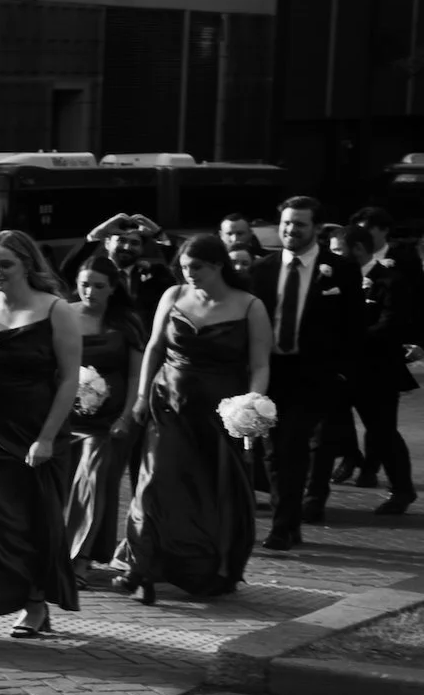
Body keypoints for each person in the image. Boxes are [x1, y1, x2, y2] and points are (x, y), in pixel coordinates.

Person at [115, 235, 272, 601]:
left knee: (207, 491)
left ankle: (204, 569)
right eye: (184, 268)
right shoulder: (172, 296)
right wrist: (140, 397)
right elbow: (154, 347)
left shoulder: (250, 306)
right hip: (168, 403)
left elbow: (260, 363)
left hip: (220, 413)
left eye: (197, 268)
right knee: (155, 483)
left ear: (218, 266)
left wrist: (251, 405)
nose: (190, 275)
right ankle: (142, 566)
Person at [0, 231, 83, 637]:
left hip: (33, 433)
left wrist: (46, 438)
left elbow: (68, 380)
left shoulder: (56, 310)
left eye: (4, 264)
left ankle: (35, 604)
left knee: (30, 523)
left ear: (27, 264)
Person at [245, 196, 365, 549]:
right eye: (285, 223)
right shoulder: (261, 269)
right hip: (271, 370)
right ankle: (290, 521)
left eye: (299, 224)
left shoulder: (339, 270)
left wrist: (343, 374)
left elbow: (354, 325)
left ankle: (283, 526)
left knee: (294, 446)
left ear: (316, 228)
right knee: (272, 451)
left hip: (312, 374)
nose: (290, 230)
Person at [64, 259, 148, 582]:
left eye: (99, 286)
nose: (90, 291)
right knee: (65, 487)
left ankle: (80, 559)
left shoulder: (126, 322)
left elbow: (136, 374)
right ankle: (58, 552)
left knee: (93, 481)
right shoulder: (63, 313)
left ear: (113, 288)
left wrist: (127, 416)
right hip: (66, 419)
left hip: (109, 423)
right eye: (84, 284)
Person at [339, 222, 418, 513]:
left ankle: (402, 489)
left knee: (383, 432)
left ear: (357, 250)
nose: (333, 257)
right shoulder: (334, 280)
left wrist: (347, 339)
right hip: (340, 370)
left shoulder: (390, 281)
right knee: (327, 427)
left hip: (377, 372)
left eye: (338, 251)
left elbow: (391, 325)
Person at [61, 215, 178, 302]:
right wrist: (96, 234)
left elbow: (182, 271)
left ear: (142, 249)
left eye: (135, 243)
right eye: (121, 241)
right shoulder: (92, 271)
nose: (127, 247)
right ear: (107, 243)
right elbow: (65, 274)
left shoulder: (155, 274)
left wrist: (159, 234)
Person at [219, 213, 265, 280]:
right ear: (221, 235)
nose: (234, 239)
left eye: (240, 233)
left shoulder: (267, 260)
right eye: (229, 234)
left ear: (250, 233)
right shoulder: (212, 261)